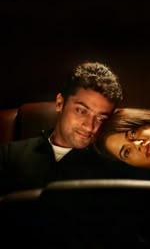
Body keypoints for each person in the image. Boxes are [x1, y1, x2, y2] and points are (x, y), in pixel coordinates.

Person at [0, 61, 123, 195]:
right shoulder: (9, 155)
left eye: (101, 118)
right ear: (60, 103)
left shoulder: (108, 169)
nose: (90, 127)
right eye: (81, 111)